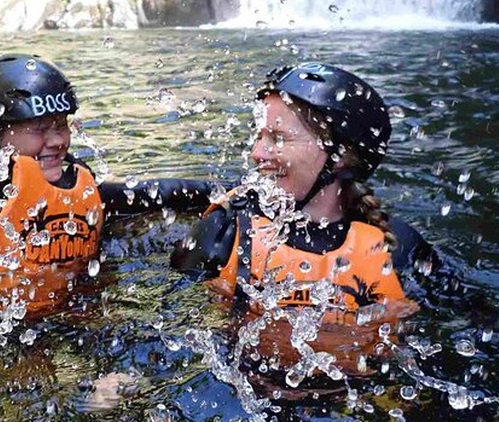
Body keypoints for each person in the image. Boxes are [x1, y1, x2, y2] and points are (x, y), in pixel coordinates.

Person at [0, 52, 220, 332]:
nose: (59, 140)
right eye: (38, 129)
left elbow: (149, 195)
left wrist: (224, 192)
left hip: (64, 324)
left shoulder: (73, 185)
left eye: (61, 124)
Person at [171, 63, 436, 378]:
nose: (257, 153)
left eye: (278, 138)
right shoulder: (223, 231)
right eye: (258, 136)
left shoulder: (398, 249)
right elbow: (173, 323)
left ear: (340, 156)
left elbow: (455, 328)